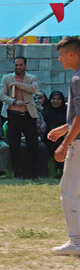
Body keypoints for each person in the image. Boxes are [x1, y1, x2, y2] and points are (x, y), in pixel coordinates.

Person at [47, 36, 80, 256]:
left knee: (67, 191)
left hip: (78, 144)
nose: (59, 59)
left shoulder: (77, 79)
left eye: (61, 55)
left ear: (72, 55)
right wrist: (64, 128)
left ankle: (76, 241)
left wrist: (64, 144)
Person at [0, 56, 40, 180]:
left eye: (21, 65)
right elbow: (2, 96)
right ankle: (17, 173)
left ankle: (34, 174)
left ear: (25, 66)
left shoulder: (31, 78)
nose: (18, 67)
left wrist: (19, 85)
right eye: (16, 65)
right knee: (14, 146)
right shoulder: (7, 78)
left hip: (28, 115)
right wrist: (14, 102)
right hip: (13, 115)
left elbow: (35, 90)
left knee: (33, 144)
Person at [43, 91, 68, 173]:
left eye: (58, 99)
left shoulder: (66, 112)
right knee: (57, 145)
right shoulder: (46, 112)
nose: (55, 101)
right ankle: (59, 169)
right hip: (50, 139)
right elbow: (44, 128)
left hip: (65, 137)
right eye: (53, 99)